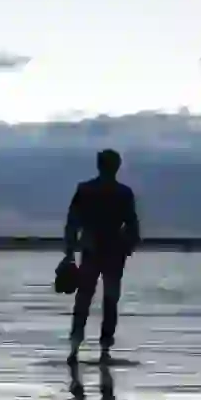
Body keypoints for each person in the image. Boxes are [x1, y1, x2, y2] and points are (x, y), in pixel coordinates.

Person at [63, 148, 140, 363]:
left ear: (99, 165)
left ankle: (75, 348)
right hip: (112, 251)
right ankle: (104, 350)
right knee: (109, 301)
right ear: (116, 167)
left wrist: (69, 252)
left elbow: (72, 223)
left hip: (93, 249)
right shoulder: (123, 193)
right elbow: (132, 224)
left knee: (84, 300)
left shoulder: (86, 189)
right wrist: (128, 246)